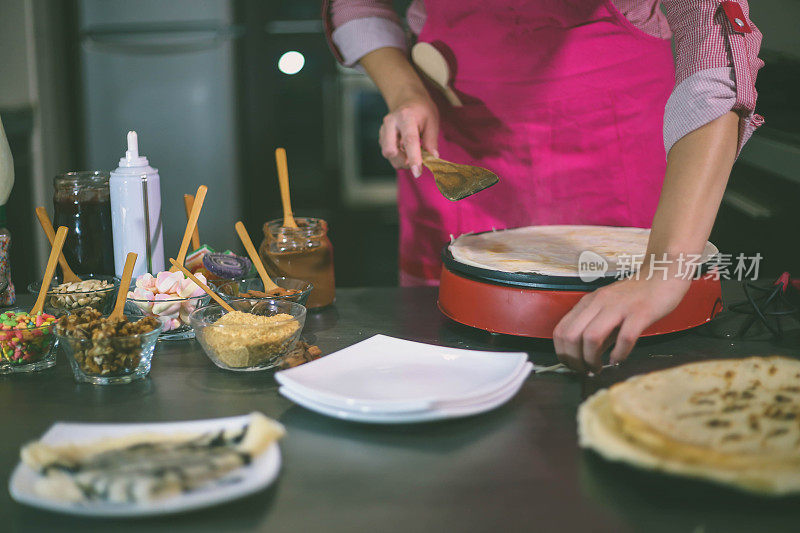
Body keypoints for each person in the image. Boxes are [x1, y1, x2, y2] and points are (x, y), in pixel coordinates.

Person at [323, 0, 763, 371]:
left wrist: (663, 270)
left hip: (617, 136)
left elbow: (714, 55)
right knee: (450, 362)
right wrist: (405, 92)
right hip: (459, 135)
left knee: (629, 372)